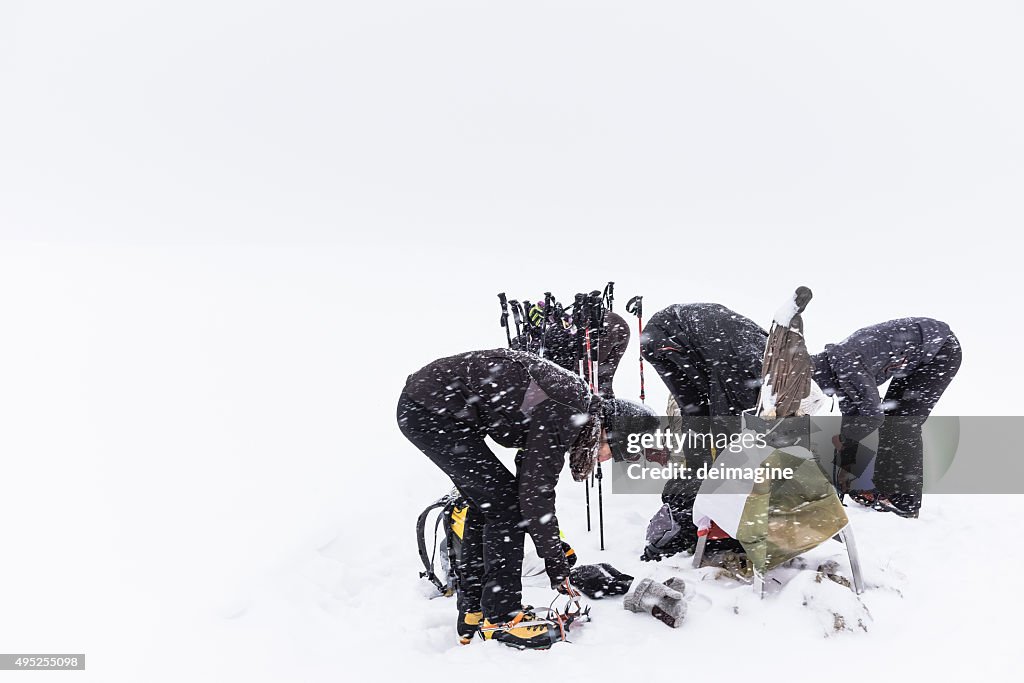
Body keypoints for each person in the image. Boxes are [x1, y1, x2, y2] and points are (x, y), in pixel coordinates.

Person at [397, 348, 656, 649]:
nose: (607, 460)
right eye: (616, 452)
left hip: (429, 407)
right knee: (504, 509)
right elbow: (534, 498)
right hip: (430, 410)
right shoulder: (567, 410)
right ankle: (502, 617)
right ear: (611, 433)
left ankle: (473, 609)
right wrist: (556, 566)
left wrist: (554, 547)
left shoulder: (574, 408)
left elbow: (528, 489)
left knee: (493, 504)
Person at [812, 317, 962, 517]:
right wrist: (846, 458)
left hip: (941, 351)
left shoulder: (848, 366)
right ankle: (882, 490)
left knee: (902, 424)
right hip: (917, 356)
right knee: (893, 420)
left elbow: (873, 415)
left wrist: (847, 450)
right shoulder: (836, 367)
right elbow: (852, 414)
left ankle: (905, 501)